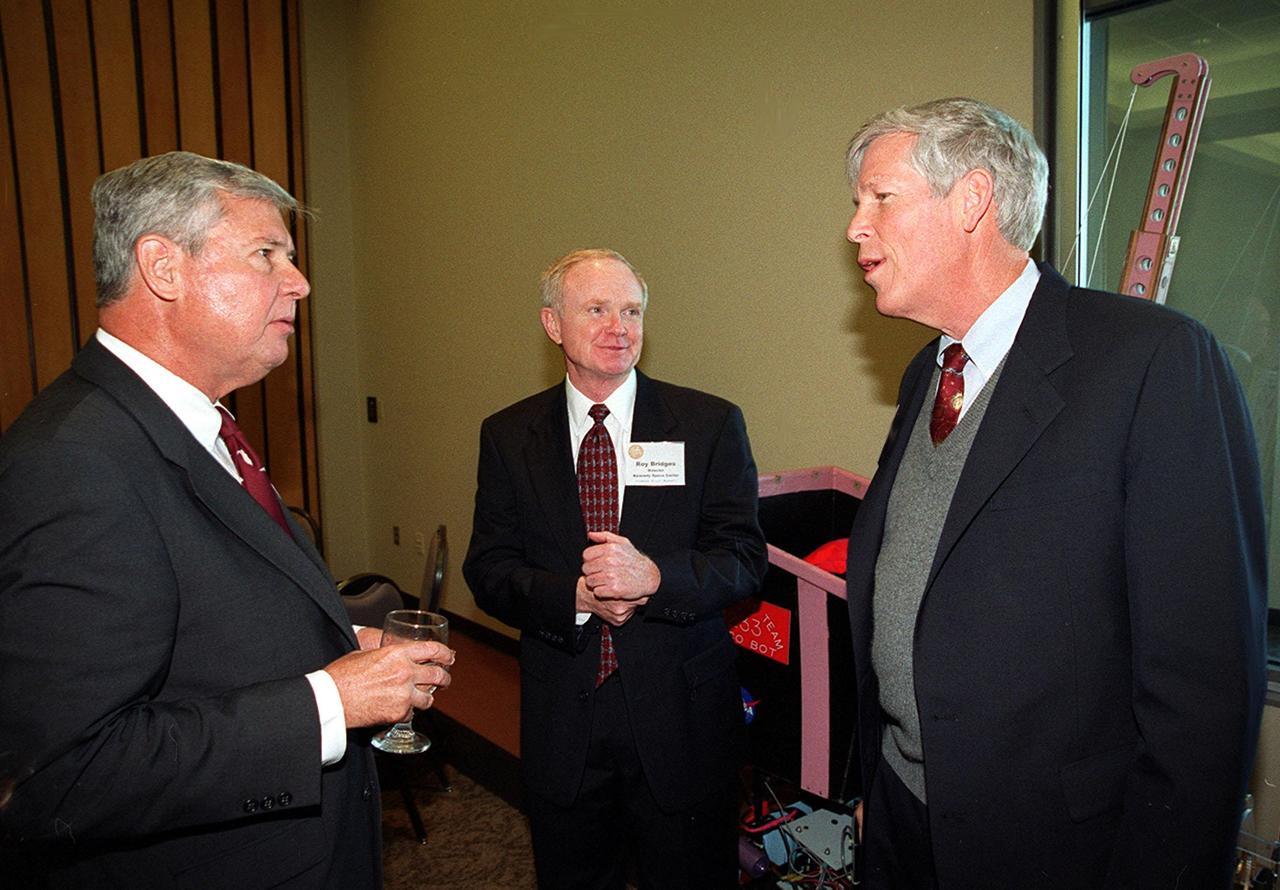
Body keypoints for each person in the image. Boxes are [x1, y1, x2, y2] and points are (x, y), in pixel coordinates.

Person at [841, 98, 1268, 889]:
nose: (856, 228)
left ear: (971, 200)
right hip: (905, 820)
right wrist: (881, 789)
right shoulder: (926, 374)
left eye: (881, 198)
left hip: (1059, 849)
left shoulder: (1152, 362)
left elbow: (1202, 690)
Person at [0, 151, 454, 888]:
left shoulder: (199, 426)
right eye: (266, 254)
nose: (299, 282)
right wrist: (327, 703)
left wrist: (334, 639)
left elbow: (202, 623)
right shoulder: (74, 462)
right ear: (164, 268)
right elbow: (63, 778)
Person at [463, 248, 767, 889]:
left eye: (631, 310)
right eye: (596, 309)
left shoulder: (708, 425)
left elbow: (743, 560)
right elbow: (489, 570)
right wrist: (573, 596)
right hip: (565, 716)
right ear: (553, 324)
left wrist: (654, 577)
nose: (618, 327)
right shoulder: (508, 436)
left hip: (682, 716)